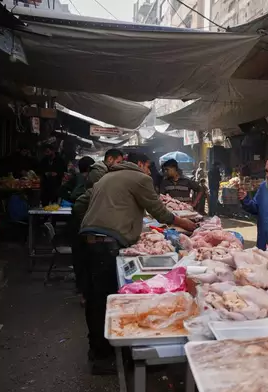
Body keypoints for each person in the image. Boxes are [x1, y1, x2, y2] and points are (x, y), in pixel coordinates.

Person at [74, 152, 196, 374]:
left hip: (89, 241)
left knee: (95, 298)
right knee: (106, 301)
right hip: (106, 244)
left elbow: (79, 205)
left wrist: (96, 221)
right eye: (149, 166)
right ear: (140, 164)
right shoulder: (140, 178)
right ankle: (107, 359)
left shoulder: (106, 178)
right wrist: (187, 225)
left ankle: (98, 351)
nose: (150, 172)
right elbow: (159, 212)